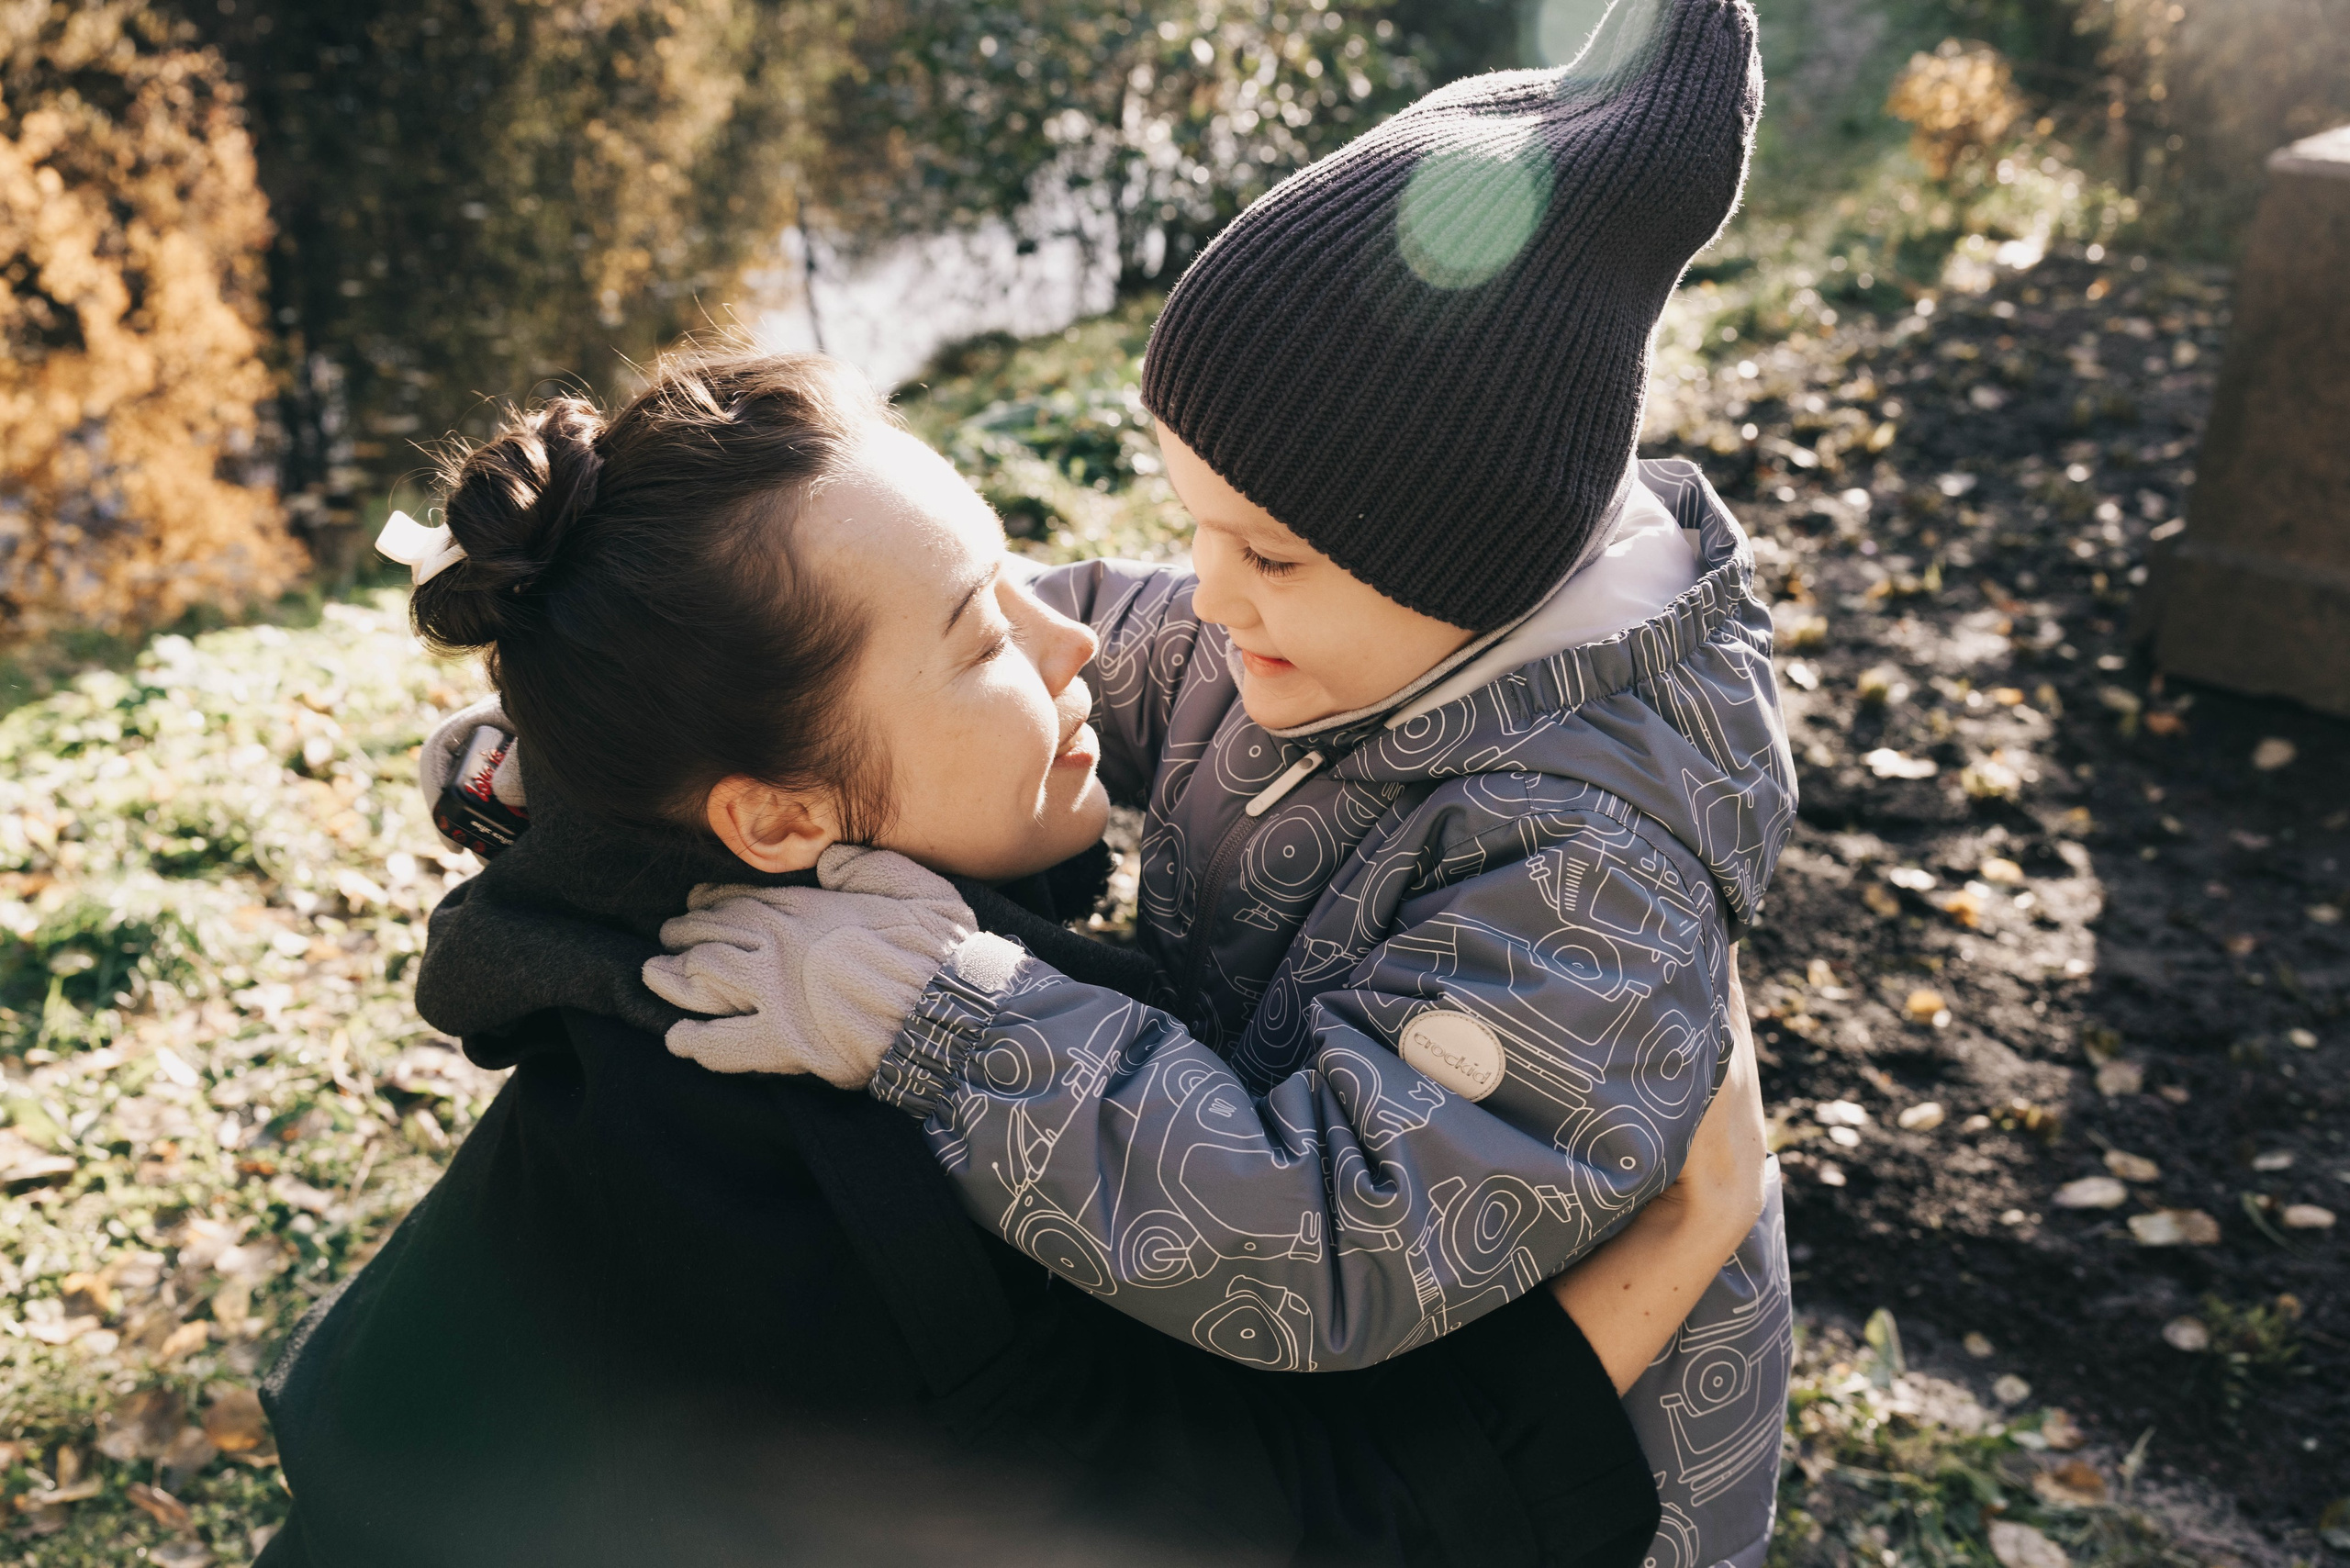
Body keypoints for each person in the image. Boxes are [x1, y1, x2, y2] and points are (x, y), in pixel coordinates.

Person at [257, 342, 1768, 1567]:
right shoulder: (837, 1164)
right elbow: (1289, 1533)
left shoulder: (655, 892)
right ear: (779, 813)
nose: (1074, 644)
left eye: (1014, 567)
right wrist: (1684, 1238)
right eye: (983, 636)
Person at [643, 3, 1794, 1565]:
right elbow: (1045, 652)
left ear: (1479, 551)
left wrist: (952, 1023)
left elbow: (1332, 1237)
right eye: (1194, 525)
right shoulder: (1348, 634)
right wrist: (668, 719)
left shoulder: (1584, 861)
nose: (1210, 598)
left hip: (1547, 1494)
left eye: (1265, 553)